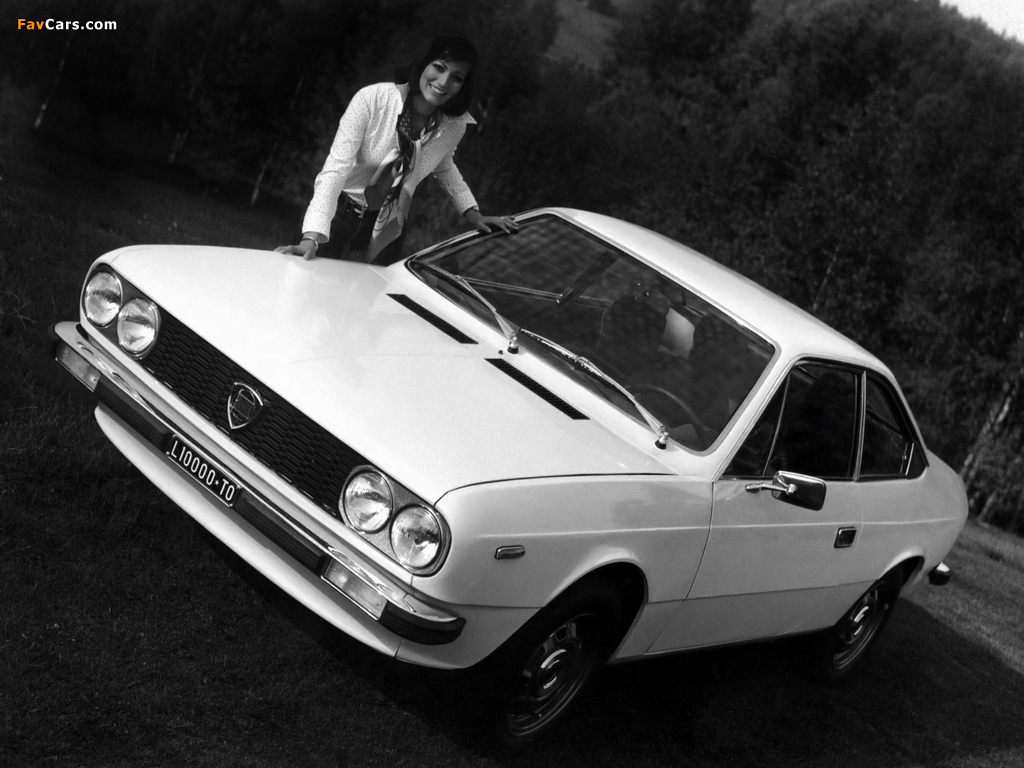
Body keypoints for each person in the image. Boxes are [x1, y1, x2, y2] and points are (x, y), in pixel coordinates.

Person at [275, 33, 517, 264]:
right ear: (423, 63)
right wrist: (312, 237)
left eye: (457, 77)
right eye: (439, 67)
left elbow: (444, 166)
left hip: (388, 228)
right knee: (308, 286)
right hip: (337, 215)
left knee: (364, 295)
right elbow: (335, 171)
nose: (444, 82)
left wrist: (474, 214)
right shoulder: (373, 99)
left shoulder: (454, 126)